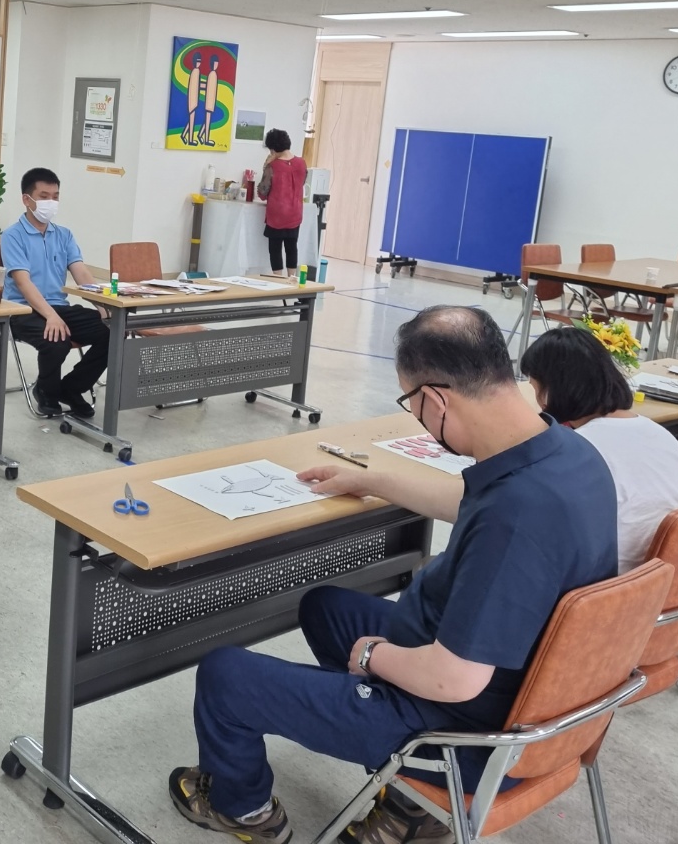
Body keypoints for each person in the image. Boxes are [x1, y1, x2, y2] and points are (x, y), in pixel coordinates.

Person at [169, 306, 617, 844]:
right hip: (522, 691)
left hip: (463, 732)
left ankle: (244, 809)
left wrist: (371, 657)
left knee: (225, 675)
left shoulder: (515, 516)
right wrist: (372, 480)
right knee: (325, 608)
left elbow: (453, 680)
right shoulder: (567, 453)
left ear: (436, 399)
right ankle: (404, 802)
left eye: (412, 403)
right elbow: (469, 502)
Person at [521, 326, 678, 571]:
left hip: (609, 581)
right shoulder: (660, 434)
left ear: (551, 391)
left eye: (535, 388)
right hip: (671, 573)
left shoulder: (578, 451)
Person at [1, 168, 109, 419]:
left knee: (112, 332)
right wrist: (50, 316)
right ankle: (46, 392)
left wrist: (104, 306)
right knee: (57, 340)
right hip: (23, 311)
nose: (51, 202)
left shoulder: (64, 235)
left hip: (59, 307)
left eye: (55, 196)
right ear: (27, 199)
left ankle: (71, 388)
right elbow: (23, 283)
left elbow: (82, 274)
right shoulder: (12, 236)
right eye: (44, 196)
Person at [257, 129, 307, 278]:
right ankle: (292, 278)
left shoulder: (272, 166)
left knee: (275, 249)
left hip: (277, 215)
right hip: (295, 213)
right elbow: (302, 183)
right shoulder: (302, 163)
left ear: (273, 148)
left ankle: (278, 279)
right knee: (292, 247)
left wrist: (265, 166)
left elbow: (262, 193)